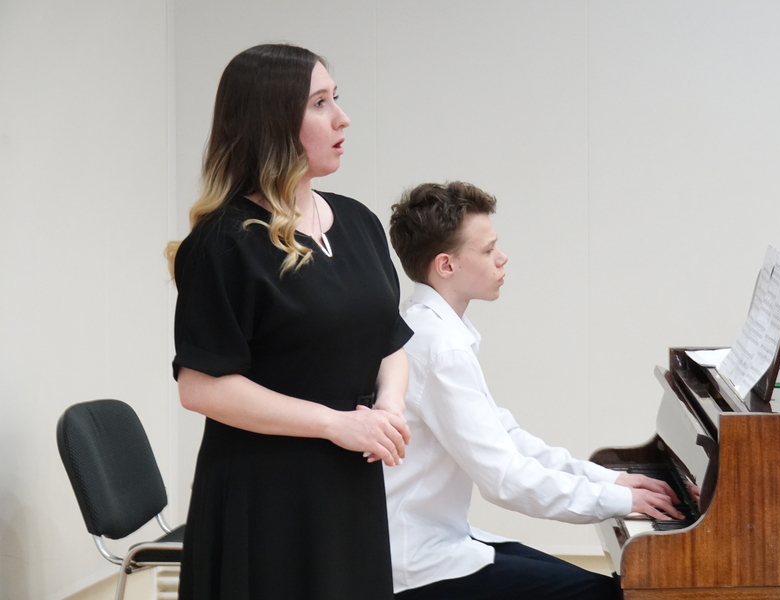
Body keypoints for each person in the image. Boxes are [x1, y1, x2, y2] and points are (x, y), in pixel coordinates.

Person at [166, 44, 412, 600]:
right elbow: (201, 386)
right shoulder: (224, 242)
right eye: (320, 104)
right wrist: (335, 424)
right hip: (265, 495)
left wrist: (389, 409)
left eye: (336, 99)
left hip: (350, 483)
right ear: (272, 123)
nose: (342, 118)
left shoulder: (359, 222)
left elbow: (388, 339)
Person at [385, 181, 696, 600]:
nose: (502, 257)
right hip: (419, 564)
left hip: (439, 539)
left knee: (614, 588)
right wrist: (618, 500)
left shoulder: (432, 328)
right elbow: (505, 480)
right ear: (446, 265)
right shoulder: (439, 347)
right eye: (488, 250)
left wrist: (613, 480)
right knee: (615, 595)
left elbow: (508, 438)